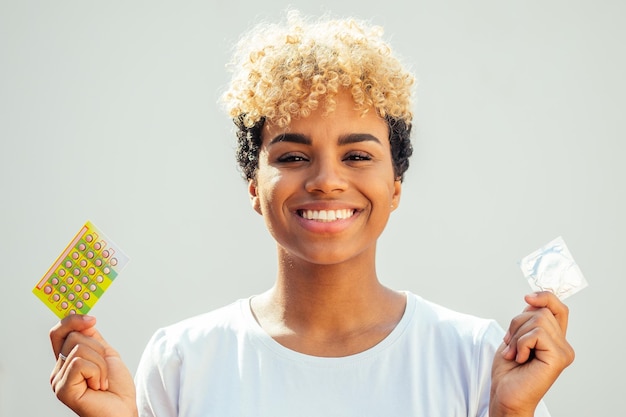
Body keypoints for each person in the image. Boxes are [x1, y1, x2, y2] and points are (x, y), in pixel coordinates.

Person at [48, 11, 574, 417]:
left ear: (395, 187)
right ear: (254, 187)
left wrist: (512, 412)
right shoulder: (184, 359)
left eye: (358, 155)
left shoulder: (478, 357)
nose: (325, 179)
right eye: (293, 156)